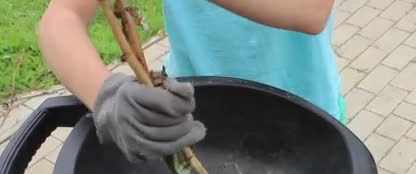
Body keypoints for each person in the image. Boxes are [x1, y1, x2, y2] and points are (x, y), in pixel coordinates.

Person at [38, 0, 343, 162]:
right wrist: (106, 99)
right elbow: (63, 16)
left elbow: (310, 9)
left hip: (304, 119)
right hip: (194, 126)